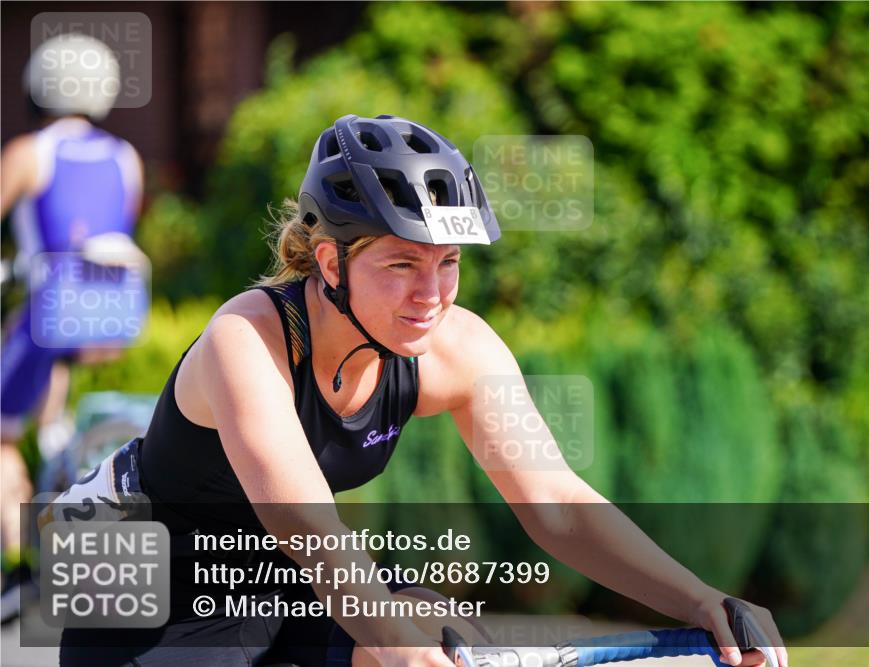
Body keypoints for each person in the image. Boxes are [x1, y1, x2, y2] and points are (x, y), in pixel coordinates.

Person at [57, 114, 788, 667]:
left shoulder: (456, 348)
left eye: (448, 263)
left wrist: (703, 600)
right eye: (402, 264)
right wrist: (396, 641)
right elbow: (307, 529)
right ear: (330, 263)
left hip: (282, 582)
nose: (431, 294)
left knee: (443, 630)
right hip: (152, 593)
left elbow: (557, 504)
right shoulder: (245, 340)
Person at [0, 33, 144, 621]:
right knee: (50, 410)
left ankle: (18, 568)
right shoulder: (126, 157)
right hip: (113, 316)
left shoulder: (30, 152)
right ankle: (61, 460)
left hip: (50, 313)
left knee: (1, 439)